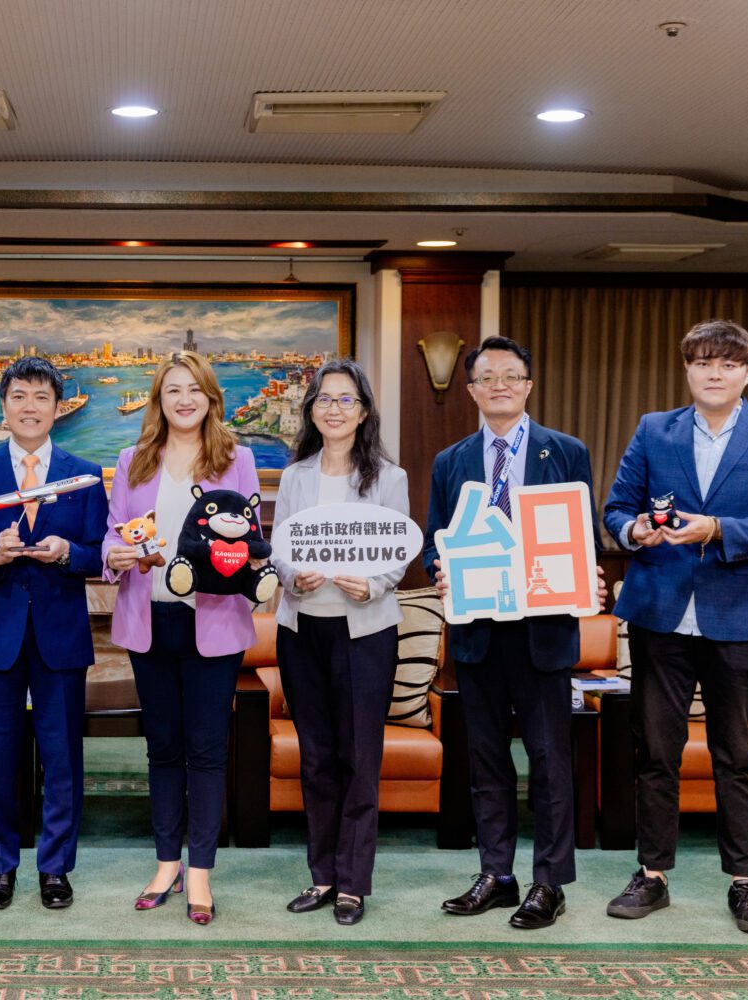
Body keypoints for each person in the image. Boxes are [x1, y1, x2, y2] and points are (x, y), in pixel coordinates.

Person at [602, 319, 748, 935]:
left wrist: (716, 529)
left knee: (736, 754)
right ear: (687, 370)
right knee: (656, 752)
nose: (713, 373)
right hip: (659, 612)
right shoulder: (652, 429)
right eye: (701, 363)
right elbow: (615, 508)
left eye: (726, 363)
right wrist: (634, 530)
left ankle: (744, 884)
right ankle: (652, 875)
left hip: (739, 616)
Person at [421, 336, 602, 930]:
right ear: (471, 390)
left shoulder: (566, 451)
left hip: (544, 634)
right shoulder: (451, 461)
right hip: (478, 634)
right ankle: (497, 874)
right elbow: (433, 542)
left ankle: (550, 882)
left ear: (528, 385)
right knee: (487, 761)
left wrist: (587, 573)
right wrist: (441, 571)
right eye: (487, 377)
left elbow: (583, 536)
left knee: (550, 761)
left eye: (511, 375)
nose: (499, 384)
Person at [102, 350, 264, 926]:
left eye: (194, 388)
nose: (184, 398)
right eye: (173, 389)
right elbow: (112, 533)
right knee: (162, 749)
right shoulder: (132, 460)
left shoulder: (237, 459)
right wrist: (114, 555)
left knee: (207, 750)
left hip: (214, 622)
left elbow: (250, 541)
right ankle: (166, 863)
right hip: (151, 622)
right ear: (159, 400)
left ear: (211, 398)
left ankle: (200, 873)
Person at [0, 356, 109, 912]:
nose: (29, 407)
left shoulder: (85, 473)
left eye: (41, 397)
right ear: (4, 406)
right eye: (19, 396)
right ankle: (1, 867)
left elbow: (99, 554)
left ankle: (55, 868)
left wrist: (69, 553)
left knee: (63, 757)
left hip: (60, 634)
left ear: (58, 408)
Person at [271, 360, 409, 927]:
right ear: (311, 410)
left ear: (364, 411)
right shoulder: (295, 475)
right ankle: (322, 875)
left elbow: (399, 551)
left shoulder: (388, 478)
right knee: (317, 758)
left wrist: (371, 581)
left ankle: (353, 883)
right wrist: (289, 575)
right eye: (324, 399)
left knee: (359, 758)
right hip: (302, 628)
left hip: (366, 631)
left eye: (346, 400)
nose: (333, 408)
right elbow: (278, 547)